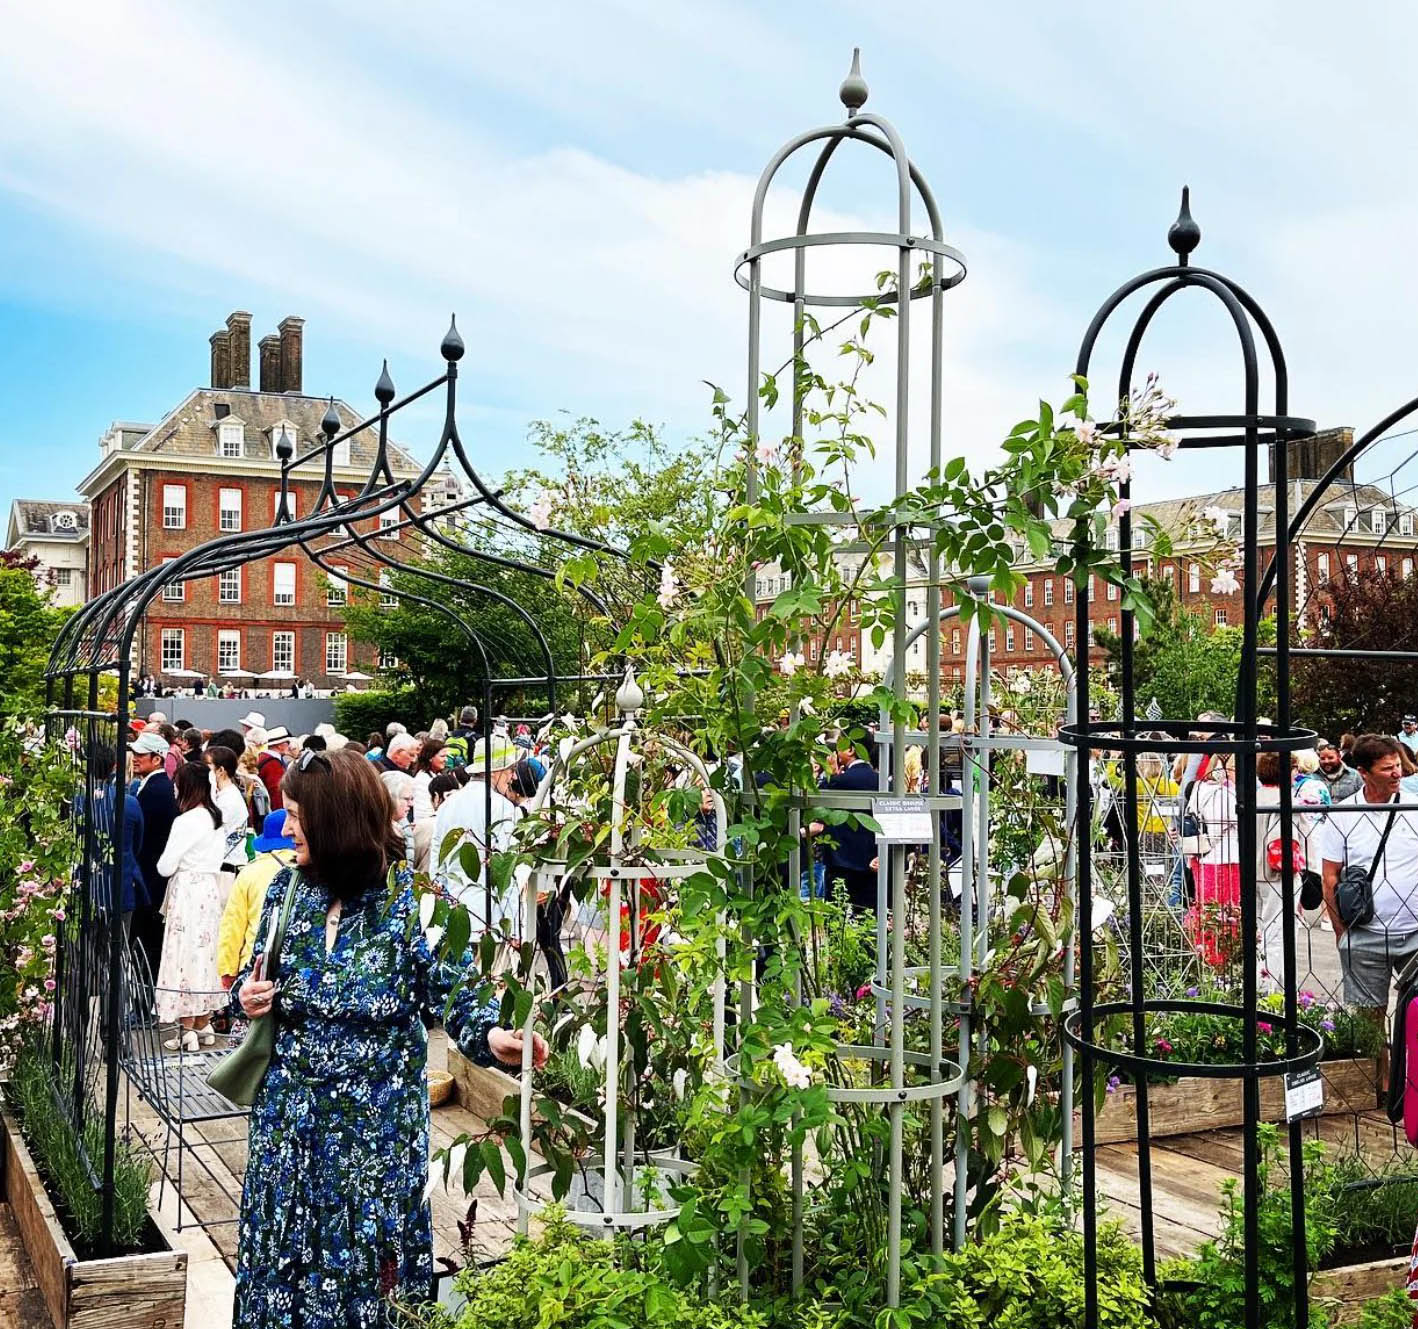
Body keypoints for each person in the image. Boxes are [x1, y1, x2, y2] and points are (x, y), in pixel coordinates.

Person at [230, 749, 547, 1326]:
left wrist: (493, 1035)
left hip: (372, 1139)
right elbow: (255, 979)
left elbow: (453, 994)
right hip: (288, 1131)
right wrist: (246, 1000)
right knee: (280, 1269)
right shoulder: (285, 892)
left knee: (368, 1278)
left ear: (338, 822)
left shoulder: (409, 901)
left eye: (298, 814)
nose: (288, 825)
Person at [1321, 734, 1418, 1019]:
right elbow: (1330, 877)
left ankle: (1407, 1064)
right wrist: (1344, 937)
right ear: (1363, 772)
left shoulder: (1414, 808)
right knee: (1368, 1028)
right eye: (1387, 768)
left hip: (1414, 933)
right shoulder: (1343, 815)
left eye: (1398, 765)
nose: (1397, 772)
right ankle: (1380, 1066)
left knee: (1414, 1017)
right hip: (1365, 935)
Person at [155, 761, 227, 1051]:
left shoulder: (185, 822)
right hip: (209, 888)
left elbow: (165, 866)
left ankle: (186, 1028)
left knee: (183, 955)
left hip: (187, 891)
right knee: (207, 954)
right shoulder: (216, 819)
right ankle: (203, 1020)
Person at [432, 736, 528, 922]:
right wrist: (514, 923)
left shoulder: (448, 805)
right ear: (494, 771)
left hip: (453, 913)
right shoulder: (501, 806)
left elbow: (437, 864)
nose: (513, 777)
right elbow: (506, 871)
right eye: (511, 769)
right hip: (489, 916)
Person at [218, 810, 298, 989]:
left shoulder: (249, 873)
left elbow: (232, 927)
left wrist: (227, 971)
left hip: (254, 969)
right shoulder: (311, 872)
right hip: (297, 970)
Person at [809, 733, 879, 913]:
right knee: (866, 913)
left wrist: (830, 775)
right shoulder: (879, 780)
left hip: (841, 859)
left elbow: (818, 806)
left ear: (851, 749)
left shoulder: (841, 780)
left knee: (835, 913)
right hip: (871, 858)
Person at [130, 729, 178, 995]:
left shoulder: (155, 791)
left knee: (146, 943)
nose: (135, 758)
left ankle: (145, 1000)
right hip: (151, 877)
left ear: (157, 759)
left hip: (150, 880)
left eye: (141, 754)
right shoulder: (153, 786)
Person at [1185, 751, 1240, 968]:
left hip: (1200, 857)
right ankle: (1221, 958)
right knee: (1224, 911)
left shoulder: (1199, 788)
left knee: (1207, 909)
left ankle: (1204, 954)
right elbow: (1220, 825)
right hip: (1222, 859)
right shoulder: (1223, 794)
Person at [87, 743, 147, 933]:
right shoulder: (129, 803)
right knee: (118, 948)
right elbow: (137, 843)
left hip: (85, 883)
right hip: (120, 882)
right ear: (114, 766)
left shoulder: (77, 801)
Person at [207, 746, 252, 906]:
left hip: (226, 871)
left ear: (221, 771)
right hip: (223, 867)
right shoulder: (224, 795)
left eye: (208, 767)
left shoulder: (228, 800)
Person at [411, 739, 447, 823]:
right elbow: (423, 813)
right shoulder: (422, 780)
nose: (446, 760)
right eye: (442, 756)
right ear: (430, 758)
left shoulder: (438, 776)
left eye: (446, 756)